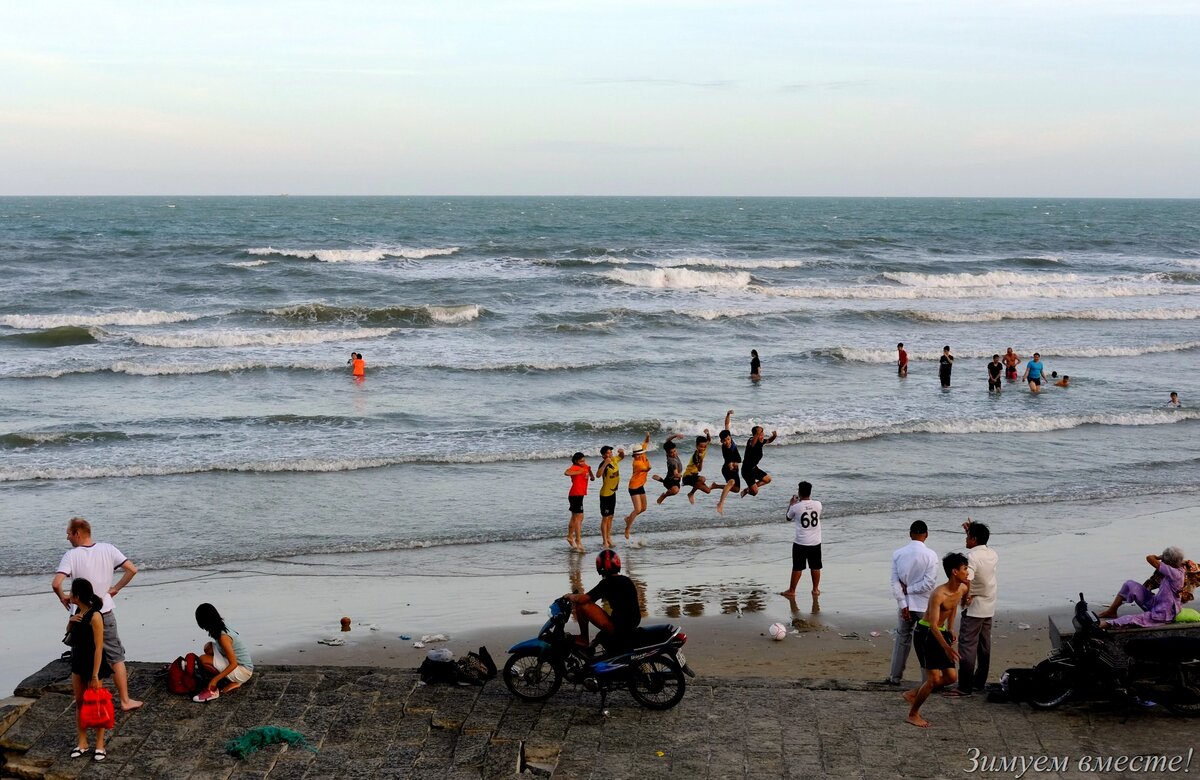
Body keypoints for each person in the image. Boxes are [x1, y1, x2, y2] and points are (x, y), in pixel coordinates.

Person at [51, 517, 143, 711]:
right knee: (115, 655)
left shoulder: (71, 555)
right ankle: (125, 700)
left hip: (81, 614)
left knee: (81, 656)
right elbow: (131, 569)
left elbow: (56, 583)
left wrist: (64, 599)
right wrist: (115, 588)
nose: (67, 537)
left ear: (77, 533)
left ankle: (84, 701)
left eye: (68, 533)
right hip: (104, 611)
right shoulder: (108, 549)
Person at [903, 552, 970, 728]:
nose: (967, 572)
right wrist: (946, 647)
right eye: (965, 569)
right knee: (933, 678)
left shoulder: (962, 588)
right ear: (955, 572)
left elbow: (955, 606)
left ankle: (913, 694)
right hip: (926, 633)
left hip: (941, 632)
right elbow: (932, 625)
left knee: (951, 677)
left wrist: (950, 628)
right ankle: (913, 714)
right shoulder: (939, 594)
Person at [885, 521, 939, 686]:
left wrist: (903, 602)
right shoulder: (931, 555)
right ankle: (926, 679)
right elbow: (929, 583)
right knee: (926, 642)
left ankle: (895, 676)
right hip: (924, 605)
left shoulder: (898, 554)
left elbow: (895, 583)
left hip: (906, 604)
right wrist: (912, 589)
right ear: (926, 535)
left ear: (910, 534)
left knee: (902, 639)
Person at [951, 520, 998, 696]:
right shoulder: (992, 553)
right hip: (989, 604)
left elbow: (967, 578)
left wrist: (964, 597)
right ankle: (979, 682)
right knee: (984, 646)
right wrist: (971, 528)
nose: (965, 540)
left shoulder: (972, 557)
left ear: (974, 539)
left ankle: (964, 686)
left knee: (967, 646)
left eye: (967, 536)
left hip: (975, 607)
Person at [66, 578, 111, 761]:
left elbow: (99, 648)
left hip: (93, 664)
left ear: (77, 596)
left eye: (71, 593)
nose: (69, 595)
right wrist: (70, 622)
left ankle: (100, 744)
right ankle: (82, 742)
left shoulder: (95, 616)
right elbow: (69, 636)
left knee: (97, 703)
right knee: (79, 702)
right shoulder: (77, 611)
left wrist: (94, 675)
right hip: (77, 661)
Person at [565, 549, 641, 652]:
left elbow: (583, 599)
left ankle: (583, 638)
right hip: (630, 623)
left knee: (581, 605)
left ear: (599, 567)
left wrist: (569, 596)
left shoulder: (606, 584)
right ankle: (592, 646)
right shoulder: (626, 580)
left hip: (619, 626)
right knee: (599, 637)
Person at [1098, 547, 1186, 628]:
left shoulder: (1175, 573)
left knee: (1131, 619)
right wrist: (1165, 558)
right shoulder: (1177, 567)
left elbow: (1150, 558)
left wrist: (1160, 557)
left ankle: (1104, 624)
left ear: (1168, 562)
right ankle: (1111, 611)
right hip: (1156, 603)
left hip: (1164, 613)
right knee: (1129, 584)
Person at [193, 603, 254, 702]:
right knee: (208, 647)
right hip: (239, 664)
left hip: (243, 671)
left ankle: (235, 681)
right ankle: (226, 677)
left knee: (203, 660)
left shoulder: (223, 637)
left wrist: (215, 680)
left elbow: (233, 664)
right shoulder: (219, 626)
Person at [781, 481, 823, 599]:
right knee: (815, 566)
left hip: (801, 542)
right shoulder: (818, 504)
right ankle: (815, 589)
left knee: (798, 567)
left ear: (799, 492)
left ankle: (792, 590)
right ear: (810, 492)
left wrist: (791, 504)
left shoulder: (796, 507)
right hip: (815, 541)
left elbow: (788, 518)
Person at [564, 452, 594, 553]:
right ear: (576, 461)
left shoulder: (585, 465)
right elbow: (566, 472)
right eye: (581, 461)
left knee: (575, 517)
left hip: (580, 495)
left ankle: (569, 536)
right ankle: (578, 540)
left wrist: (592, 476)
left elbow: (588, 469)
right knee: (579, 517)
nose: (583, 462)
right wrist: (578, 472)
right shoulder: (575, 467)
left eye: (583, 460)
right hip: (575, 495)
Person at [623, 434, 652, 539]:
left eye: (640, 453)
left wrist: (647, 437)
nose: (639, 455)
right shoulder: (637, 463)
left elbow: (645, 444)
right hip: (634, 487)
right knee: (637, 509)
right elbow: (646, 469)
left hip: (641, 485)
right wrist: (649, 468)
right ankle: (627, 529)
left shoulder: (642, 454)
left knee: (643, 508)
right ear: (634, 455)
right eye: (637, 454)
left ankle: (628, 519)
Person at [597, 445, 625, 549]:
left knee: (611, 517)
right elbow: (598, 475)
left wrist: (621, 452)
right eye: (608, 453)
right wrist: (605, 464)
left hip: (613, 493)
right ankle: (604, 541)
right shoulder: (604, 464)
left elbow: (621, 457)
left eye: (611, 452)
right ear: (603, 455)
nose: (610, 454)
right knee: (605, 518)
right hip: (605, 495)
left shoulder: (614, 460)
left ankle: (609, 537)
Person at [740, 425, 778, 497]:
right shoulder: (751, 441)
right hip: (747, 471)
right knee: (754, 493)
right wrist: (758, 433)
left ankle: (747, 489)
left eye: (762, 433)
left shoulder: (761, 441)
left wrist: (774, 436)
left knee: (768, 479)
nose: (762, 436)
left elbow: (769, 441)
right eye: (760, 434)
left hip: (754, 468)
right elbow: (753, 443)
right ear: (756, 435)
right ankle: (749, 489)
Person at [714, 410, 740, 514]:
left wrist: (728, 415)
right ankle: (720, 503)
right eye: (724, 440)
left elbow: (726, 425)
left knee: (736, 489)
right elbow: (730, 463)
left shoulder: (731, 440)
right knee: (732, 482)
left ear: (730, 438)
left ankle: (716, 486)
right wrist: (732, 464)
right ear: (721, 441)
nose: (727, 442)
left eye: (728, 439)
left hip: (735, 468)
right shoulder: (726, 449)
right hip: (727, 468)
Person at [681, 429, 715, 504]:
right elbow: (699, 469)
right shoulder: (696, 456)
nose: (703, 448)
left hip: (694, 476)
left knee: (708, 491)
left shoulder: (704, 448)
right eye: (701, 447)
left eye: (704, 447)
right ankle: (691, 493)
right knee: (703, 479)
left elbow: (708, 440)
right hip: (687, 477)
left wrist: (708, 433)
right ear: (696, 446)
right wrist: (701, 460)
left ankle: (691, 493)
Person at [653, 434, 684, 504]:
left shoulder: (673, 455)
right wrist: (679, 475)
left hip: (673, 480)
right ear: (667, 453)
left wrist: (675, 435)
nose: (673, 454)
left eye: (674, 451)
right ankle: (664, 495)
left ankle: (661, 480)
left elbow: (667, 440)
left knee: (675, 490)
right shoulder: (671, 461)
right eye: (671, 453)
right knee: (675, 491)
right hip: (671, 481)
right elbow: (675, 473)